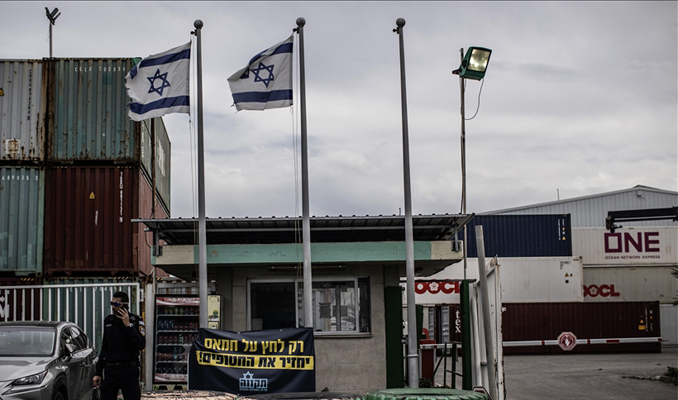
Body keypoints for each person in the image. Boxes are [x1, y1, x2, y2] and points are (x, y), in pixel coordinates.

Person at [93, 291, 146, 400]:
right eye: (111, 304)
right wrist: (98, 372)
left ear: (125, 305)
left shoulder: (135, 321)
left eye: (116, 304)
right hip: (111, 370)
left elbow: (141, 344)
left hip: (129, 370)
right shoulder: (109, 321)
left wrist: (128, 326)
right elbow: (105, 348)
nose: (113, 307)